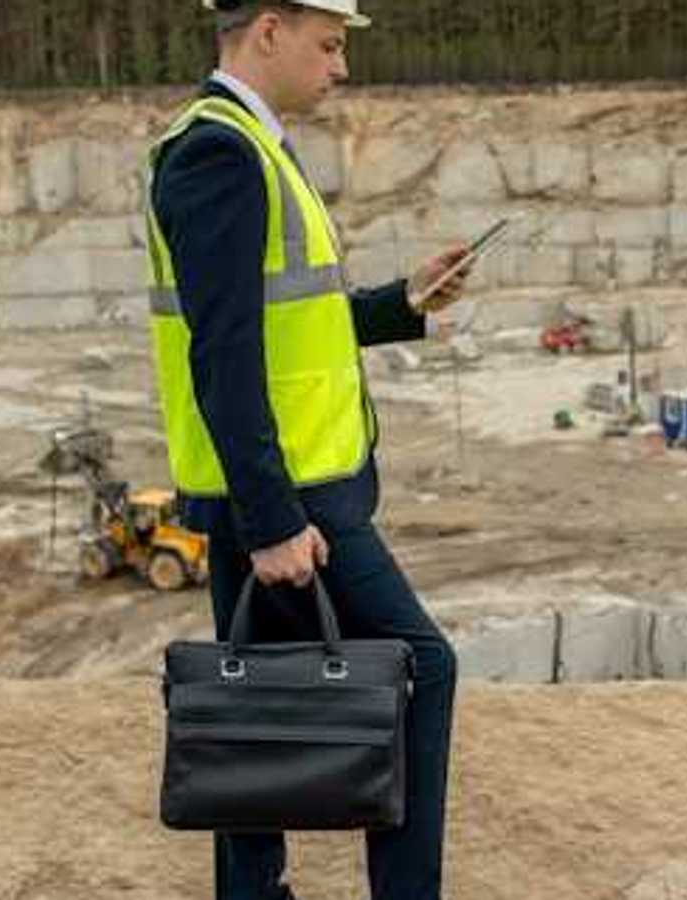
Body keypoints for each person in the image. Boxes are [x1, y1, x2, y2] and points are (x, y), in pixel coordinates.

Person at [144, 1, 469, 897]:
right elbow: (224, 352)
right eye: (330, 45)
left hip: (287, 488)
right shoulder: (220, 154)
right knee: (423, 669)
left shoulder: (249, 146)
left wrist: (404, 300)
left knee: (252, 700)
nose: (341, 66)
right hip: (294, 494)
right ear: (269, 31)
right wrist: (273, 518)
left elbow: (300, 319)